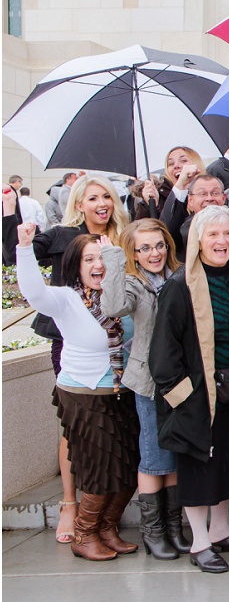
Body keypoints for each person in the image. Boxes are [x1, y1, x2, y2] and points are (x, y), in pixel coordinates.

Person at [16, 225, 140, 561]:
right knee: (100, 467)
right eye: (89, 259)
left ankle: (107, 528)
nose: (97, 264)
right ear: (76, 265)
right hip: (83, 392)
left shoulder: (119, 295)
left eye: (102, 257)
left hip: (120, 390)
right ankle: (84, 534)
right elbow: (33, 293)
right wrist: (25, 248)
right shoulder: (66, 298)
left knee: (129, 467)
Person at [149, 205, 229, 574]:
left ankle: (222, 530)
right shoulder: (179, 286)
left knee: (228, 465)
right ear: (197, 239)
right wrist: (184, 399)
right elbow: (163, 354)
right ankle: (200, 541)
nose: (221, 241)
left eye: (227, 233)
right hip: (198, 395)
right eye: (212, 234)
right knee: (199, 469)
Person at [99, 219, 189, 560]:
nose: (154, 253)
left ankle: (175, 528)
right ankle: (154, 533)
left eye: (159, 245)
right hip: (150, 382)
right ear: (133, 253)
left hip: (181, 380)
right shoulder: (134, 283)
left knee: (175, 454)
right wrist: (112, 259)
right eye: (145, 248)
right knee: (154, 455)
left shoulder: (179, 275)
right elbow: (112, 309)